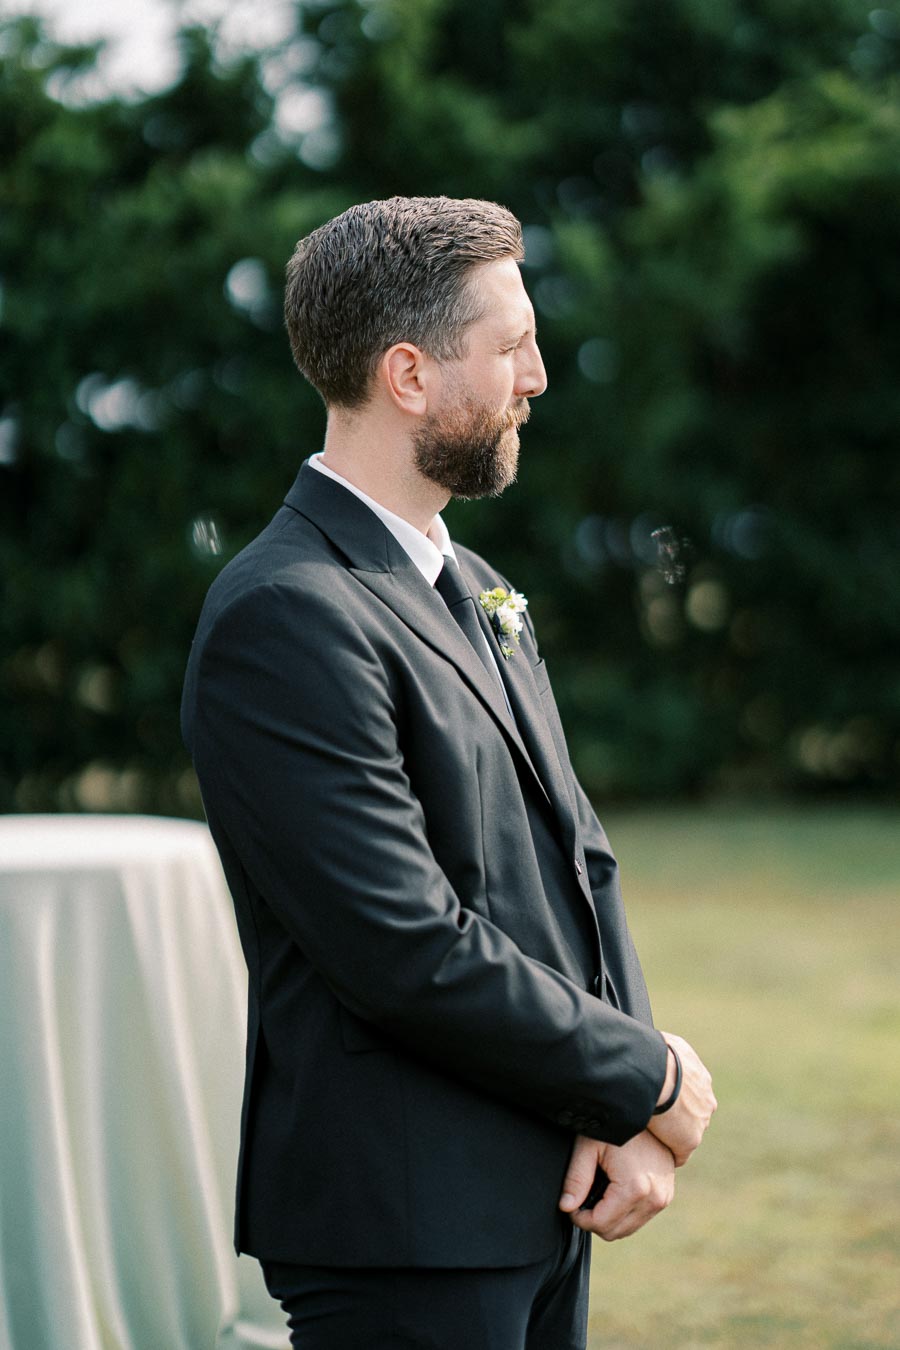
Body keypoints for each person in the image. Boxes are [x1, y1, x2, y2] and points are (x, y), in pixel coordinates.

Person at [181, 195, 716, 1350]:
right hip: (403, 1222)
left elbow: (580, 860)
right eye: (511, 344)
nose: (535, 377)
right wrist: (642, 1077)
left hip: (541, 1186)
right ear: (410, 375)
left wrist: (617, 1109)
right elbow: (402, 945)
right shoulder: (284, 614)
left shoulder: (469, 577)